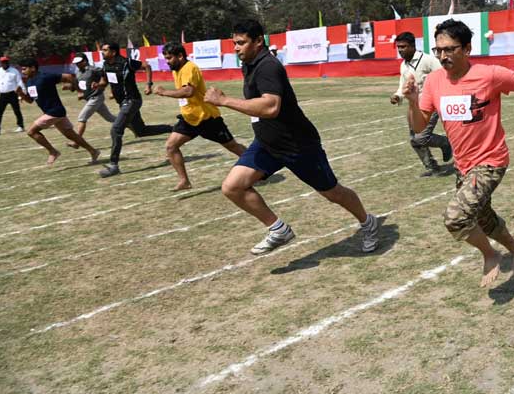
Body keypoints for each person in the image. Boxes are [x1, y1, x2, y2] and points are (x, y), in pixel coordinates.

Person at [204, 20, 379, 255]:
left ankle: (368, 223)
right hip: (267, 143)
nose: (236, 48)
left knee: (332, 193)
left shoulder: (268, 66)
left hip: (298, 145)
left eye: (241, 43)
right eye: (234, 43)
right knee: (233, 187)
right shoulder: (250, 63)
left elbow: (270, 107)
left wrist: (224, 101)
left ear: (258, 41)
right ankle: (278, 230)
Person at [403, 19, 514, 287]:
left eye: (450, 49)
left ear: (467, 49)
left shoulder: (489, 75)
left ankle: (491, 255)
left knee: (456, 217)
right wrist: (412, 103)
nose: (443, 56)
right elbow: (420, 126)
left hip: (491, 161)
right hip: (463, 165)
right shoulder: (434, 82)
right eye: (438, 50)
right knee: (482, 216)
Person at [154, 42, 246, 191]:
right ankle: (184, 181)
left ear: (180, 56)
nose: (167, 61)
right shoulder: (176, 69)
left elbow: (188, 91)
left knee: (232, 146)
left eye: (169, 58)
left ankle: (259, 168)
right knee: (171, 146)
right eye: (165, 58)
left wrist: (164, 92)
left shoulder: (190, 68)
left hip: (207, 118)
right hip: (189, 118)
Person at [95, 42, 173, 177]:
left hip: (132, 101)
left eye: (105, 50)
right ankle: (173, 128)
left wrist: (149, 84)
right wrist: (98, 85)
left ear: (113, 52)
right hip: (123, 103)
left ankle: (113, 166)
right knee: (141, 131)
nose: (102, 52)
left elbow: (146, 66)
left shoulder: (126, 62)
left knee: (116, 129)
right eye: (102, 50)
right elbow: (105, 81)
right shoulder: (106, 65)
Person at [389, 32, 453, 177]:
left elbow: (444, 74)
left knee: (421, 137)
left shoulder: (427, 60)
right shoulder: (403, 66)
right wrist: (397, 96)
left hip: (432, 103)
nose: (400, 50)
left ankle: (445, 142)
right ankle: (432, 167)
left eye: (403, 47)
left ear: (412, 46)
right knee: (414, 140)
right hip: (415, 105)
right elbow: (403, 85)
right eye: (398, 47)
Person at [16, 58, 100, 165]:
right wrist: (21, 94)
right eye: (21, 70)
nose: (22, 72)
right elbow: (30, 100)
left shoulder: (45, 77)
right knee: (71, 135)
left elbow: (69, 77)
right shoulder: (29, 82)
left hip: (54, 112)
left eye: (24, 69)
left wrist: (79, 90)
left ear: (33, 68)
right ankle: (93, 151)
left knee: (31, 132)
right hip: (53, 113)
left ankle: (53, 151)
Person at [65, 54, 115, 147]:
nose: (77, 64)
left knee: (81, 118)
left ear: (85, 61)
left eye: (79, 62)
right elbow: (80, 85)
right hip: (89, 99)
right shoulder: (78, 72)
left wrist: (111, 91)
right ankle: (132, 125)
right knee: (110, 118)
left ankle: (77, 142)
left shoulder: (94, 70)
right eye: (76, 63)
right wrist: (70, 88)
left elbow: (108, 77)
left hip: (96, 97)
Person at [0, 55, 25, 134]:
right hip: (3, 95)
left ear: (8, 62)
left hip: (13, 94)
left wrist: (21, 95)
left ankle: (20, 126)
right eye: (2, 62)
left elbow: (19, 82)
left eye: (5, 62)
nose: (4, 63)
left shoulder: (14, 71)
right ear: (1, 63)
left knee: (17, 111)